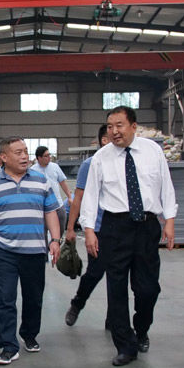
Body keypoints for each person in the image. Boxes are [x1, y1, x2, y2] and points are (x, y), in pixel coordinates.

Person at [80, 106, 177, 367]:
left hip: (147, 226)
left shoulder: (152, 151)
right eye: (110, 126)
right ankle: (125, 346)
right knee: (116, 288)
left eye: (119, 125)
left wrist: (169, 220)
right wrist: (89, 230)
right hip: (115, 227)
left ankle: (141, 328)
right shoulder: (101, 158)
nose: (114, 131)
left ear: (134, 126)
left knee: (148, 288)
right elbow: (91, 195)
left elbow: (166, 186)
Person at [0, 137, 62, 365]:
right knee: (6, 298)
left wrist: (55, 240)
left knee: (34, 297)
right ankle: (8, 346)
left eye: (26, 151)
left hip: (35, 250)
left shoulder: (41, 180)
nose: (25, 156)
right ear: (4, 157)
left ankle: (29, 334)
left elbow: (50, 212)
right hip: (4, 250)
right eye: (18, 152)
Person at [64, 124, 111, 327]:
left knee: (118, 276)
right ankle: (77, 303)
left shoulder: (128, 163)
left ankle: (115, 317)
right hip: (98, 228)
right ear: (103, 140)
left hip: (123, 228)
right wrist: (70, 228)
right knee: (95, 272)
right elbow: (78, 198)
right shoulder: (90, 165)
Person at [30, 146, 73, 230]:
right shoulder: (32, 170)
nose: (49, 157)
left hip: (58, 204)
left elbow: (62, 183)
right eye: (46, 156)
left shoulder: (55, 167)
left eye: (49, 155)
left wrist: (69, 197)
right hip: (41, 207)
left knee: (60, 228)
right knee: (42, 231)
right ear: (39, 158)